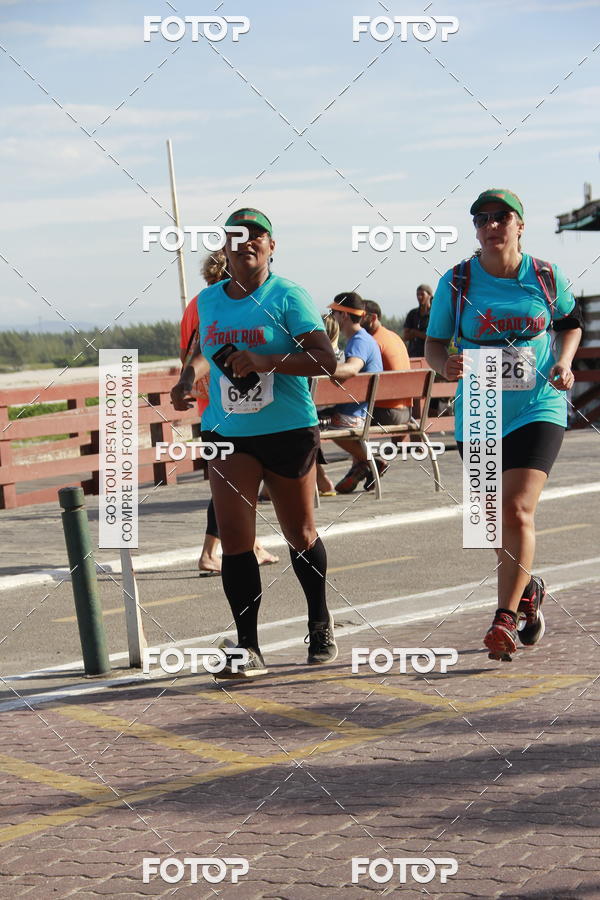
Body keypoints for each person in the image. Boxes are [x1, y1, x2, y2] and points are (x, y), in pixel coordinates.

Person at [171, 208, 338, 679]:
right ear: (223, 247)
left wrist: (266, 361)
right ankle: (248, 647)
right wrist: (186, 380)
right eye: (235, 236)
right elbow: (204, 353)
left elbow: (324, 359)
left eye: (256, 236)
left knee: (299, 533)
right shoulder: (208, 301)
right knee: (235, 538)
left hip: (287, 430)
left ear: (271, 246)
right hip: (227, 432)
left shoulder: (287, 295)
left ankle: (320, 622)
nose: (245, 243)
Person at [425, 188, 583, 661]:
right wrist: (443, 365)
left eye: (501, 217)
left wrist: (564, 362)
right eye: (482, 219)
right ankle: (528, 590)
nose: (491, 225)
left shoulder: (546, 276)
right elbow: (435, 343)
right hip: (479, 408)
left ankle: (504, 619)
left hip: (538, 405)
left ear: (520, 225)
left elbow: (570, 324)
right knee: (490, 525)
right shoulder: (456, 281)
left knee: (515, 510)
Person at [179, 250, 278, 575]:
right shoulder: (222, 302)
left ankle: (252, 543)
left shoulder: (196, 304)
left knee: (235, 477)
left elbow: (186, 352)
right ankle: (209, 553)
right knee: (231, 479)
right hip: (229, 400)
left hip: (209, 400)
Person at [325, 293, 383, 494]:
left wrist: (320, 368)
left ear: (344, 315)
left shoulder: (359, 341)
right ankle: (363, 465)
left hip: (355, 414)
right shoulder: (363, 339)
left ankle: (371, 461)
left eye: (334, 312)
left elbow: (352, 369)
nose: (332, 317)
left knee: (311, 424)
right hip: (360, 409)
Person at [361, 299, 412, 489]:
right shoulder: (394, 337)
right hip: (406, 412)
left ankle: (367, 463)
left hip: (388, 413)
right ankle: (362, 466)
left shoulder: (372, 342)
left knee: (343, 420)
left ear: (373, 317)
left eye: (361, 316)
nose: (357, 320)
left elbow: (360, 384)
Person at [404, 285, 433, 358]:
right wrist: (422, 334)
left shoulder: (434, 314)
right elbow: (405, 336)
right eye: (417, 294)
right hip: (413, 355)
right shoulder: (412, 314)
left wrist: (415, 333)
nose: (419, 297)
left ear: (430, 295)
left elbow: (433, 337)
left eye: (422, 294)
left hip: (430, 356)